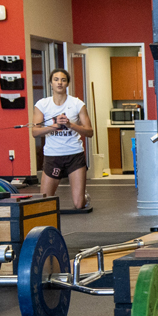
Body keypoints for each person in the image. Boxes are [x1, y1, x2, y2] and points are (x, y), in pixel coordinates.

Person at [32, 69, 92, 211]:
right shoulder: (42, 104)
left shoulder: (77, 104)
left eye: (63, 80)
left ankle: (84, 197)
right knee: (44, 203)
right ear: (51, 83)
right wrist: (55, 126)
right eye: (56, 79)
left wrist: (70, 124)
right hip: (53, 156)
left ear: (67, 84)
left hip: (74, 155)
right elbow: (35, 132)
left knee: (79, 204)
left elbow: (90, 132)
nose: (59, 82)